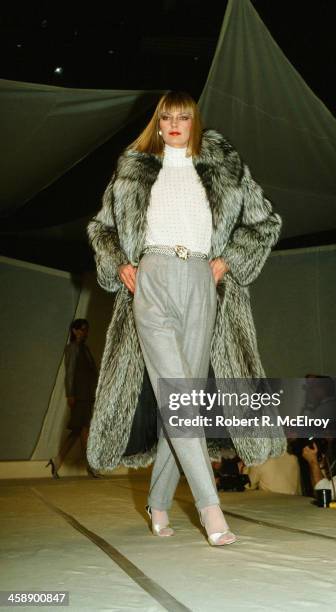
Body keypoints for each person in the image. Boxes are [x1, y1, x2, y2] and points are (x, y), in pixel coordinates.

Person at [86, 91, 285, 546]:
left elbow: (264, 222)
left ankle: (158, 501)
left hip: (201, 280)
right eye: (167, 117)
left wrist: (228, 259)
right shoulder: (133, 167)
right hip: (152, 278)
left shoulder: (225, 166)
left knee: (185, 401)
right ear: (157, 125)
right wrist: (119, 260)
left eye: (184, 117)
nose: (175, 124)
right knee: (178, 394)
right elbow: (101, 227)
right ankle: (210, 508)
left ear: (195, 123)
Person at [46, 319, 99, 479]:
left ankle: (57, 461)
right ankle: (90, 466)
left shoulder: (85, 349)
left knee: (78, 431)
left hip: (87, 395)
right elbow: (70, 373)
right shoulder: (73, 348)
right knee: (83, 430)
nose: (85, 332)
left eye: (86, 329)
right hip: (80, 395)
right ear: (74, 331)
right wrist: (70, 394)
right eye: (82, 329)